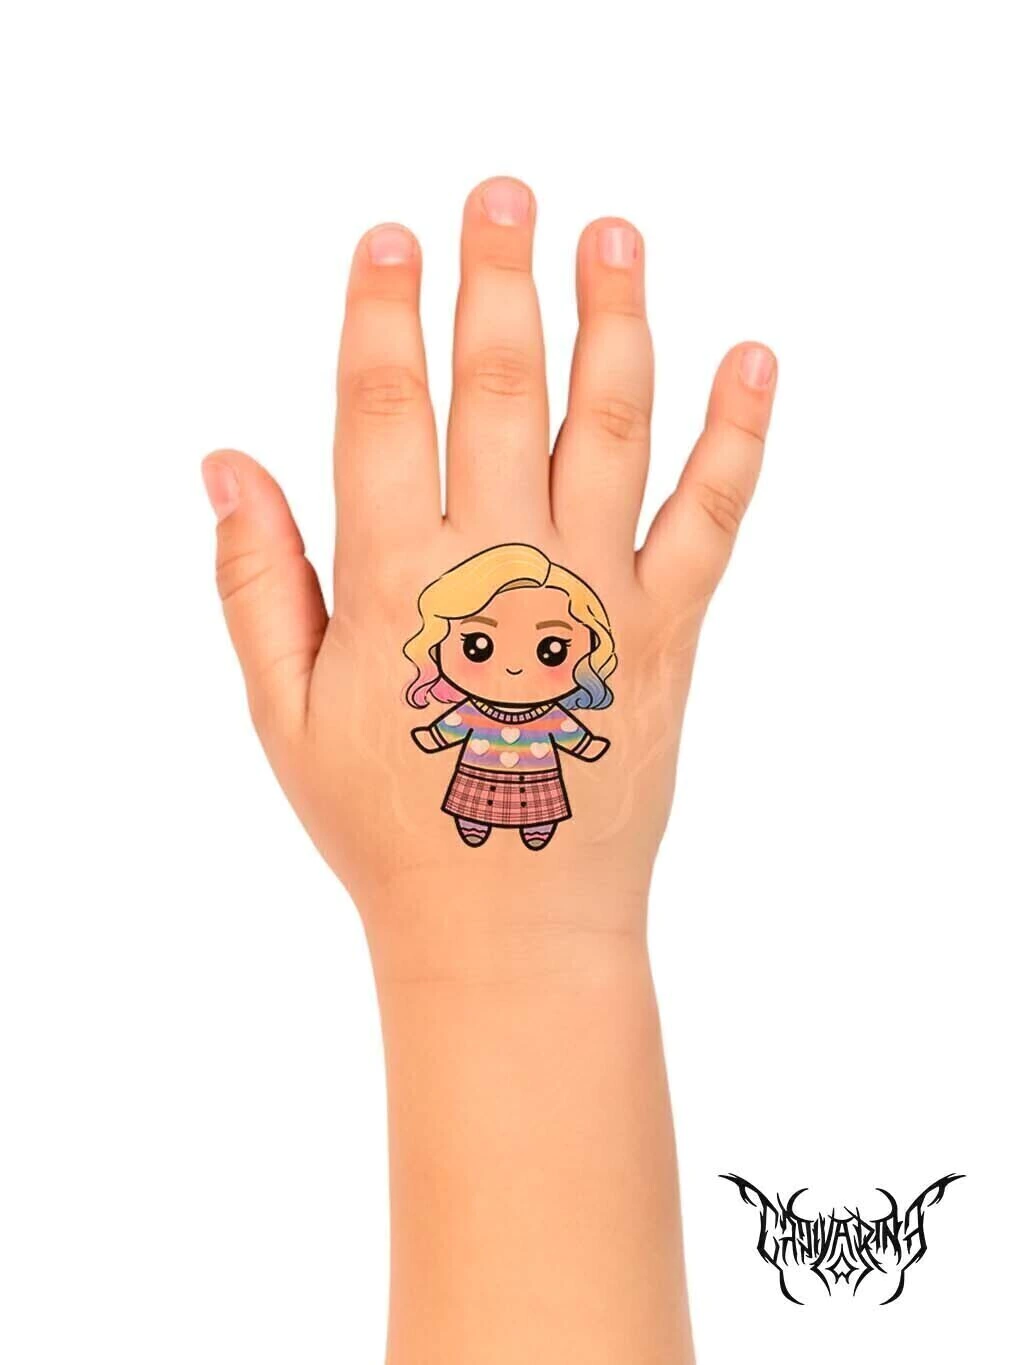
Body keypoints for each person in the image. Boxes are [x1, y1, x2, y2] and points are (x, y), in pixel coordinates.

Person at [201, 176, 777, 1364]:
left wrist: (494, 942)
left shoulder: (545, 700)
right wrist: (528, 940)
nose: (515, 666)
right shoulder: (459, 692)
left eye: (548, 649)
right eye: (485, 647)